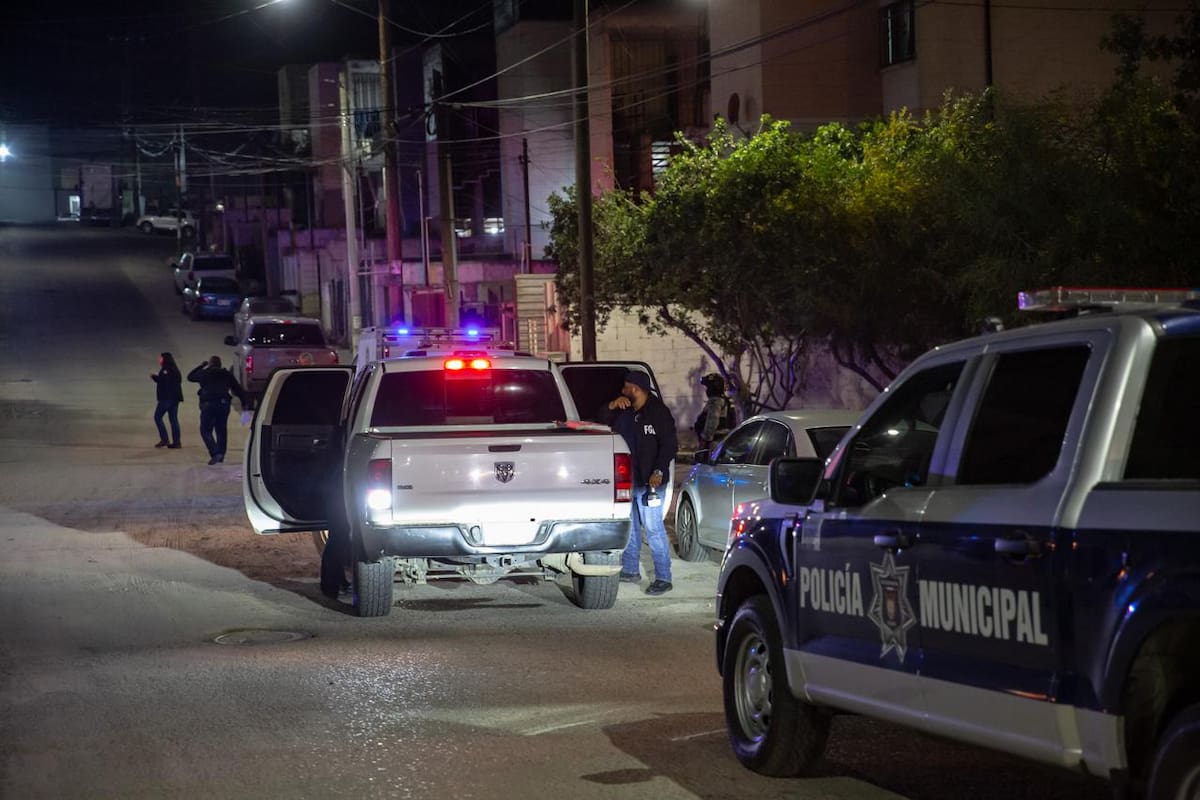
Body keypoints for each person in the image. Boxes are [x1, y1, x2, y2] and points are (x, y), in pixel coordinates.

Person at [602, 370, 679, 596]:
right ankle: (630, 570)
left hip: (651, 483)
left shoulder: (658, 412)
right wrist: (612, 406)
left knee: (653, 529)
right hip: (628, 482)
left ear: (635, 388)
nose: (622, 390)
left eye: (625, 387)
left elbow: (669, 445)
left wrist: (659, 470)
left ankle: (664, 578)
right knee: (632, 528)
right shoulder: (624, 411)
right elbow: (600, 422)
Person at [187, 355, 247, 466]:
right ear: (220, 364)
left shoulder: (204, 373)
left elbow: (190, 377)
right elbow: (238, 389)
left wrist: (201, 366)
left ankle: (215, 452)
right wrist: (245, 405)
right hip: (223, 404)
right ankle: (221, 454)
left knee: (205, 430)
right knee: (221, 430)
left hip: (208, 404)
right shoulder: (226, 374)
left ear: (210, 364)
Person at [694, 372, 736, 450]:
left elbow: (712, 421)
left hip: (715, 441)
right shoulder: (724, 400)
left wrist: (705, 439)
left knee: (706, 460)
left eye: (708, 387)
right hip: (722, 439)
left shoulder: (716, 401)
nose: (707, 389)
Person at [151, 352, 183, 449]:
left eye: (161, 358)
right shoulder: (175, 369)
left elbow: (164, 381)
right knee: (173, 420)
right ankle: (177, 442)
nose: (159, 360)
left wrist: (154, 377)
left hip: (167, 398)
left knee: (157, 417)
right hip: (175, 399)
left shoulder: (166, 369)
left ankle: (165, 439)